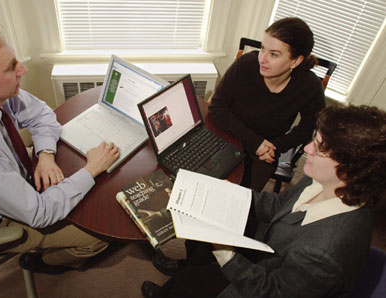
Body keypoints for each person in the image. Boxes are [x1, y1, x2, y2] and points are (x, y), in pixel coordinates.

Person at [141, 104, 386, 297]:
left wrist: (225, 251)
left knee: (198, 277)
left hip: (268, 282)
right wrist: (230, 192)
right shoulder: (325, 181)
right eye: (314, 139)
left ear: (350, 170)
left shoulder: (324, 253)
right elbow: (279, 205)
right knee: (197, 256)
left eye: (320, 148)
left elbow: (271, 293)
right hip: (274, 245)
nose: (307, 149)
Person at [0, 24, 120, 274]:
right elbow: (40, 213)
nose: (22, 69)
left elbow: (42, 114)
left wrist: (45, 155)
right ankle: (44, 262)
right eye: (11, 67)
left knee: (94, 195)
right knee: (99, 232)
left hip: (14, 181)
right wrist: (91, 170)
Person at [209, 17, 325, 192]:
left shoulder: (309, 86)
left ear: (296, 61)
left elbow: (308, 128)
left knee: (243, 198)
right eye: (262, 48)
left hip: (266, 151)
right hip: (227, 133)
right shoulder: (246, 64)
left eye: (274, 54)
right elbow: (217, 107)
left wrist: (273, 146)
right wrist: (256, 142)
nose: (262, 59)